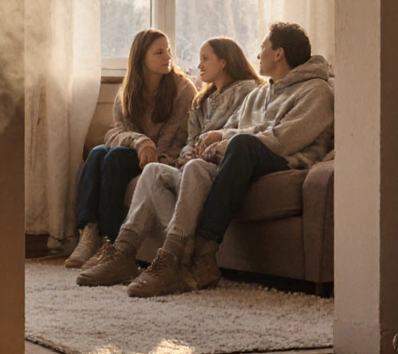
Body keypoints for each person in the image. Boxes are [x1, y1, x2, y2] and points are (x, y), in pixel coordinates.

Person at [129, 22, 334, 298]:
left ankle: (204, 251)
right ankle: (171, 255)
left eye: (263, 47)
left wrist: (226, 142)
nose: (258, 54)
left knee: (241, 145)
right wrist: (216, 136)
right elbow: (234, 127)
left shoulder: (316, 91)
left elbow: (284, 140)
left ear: (279, 53)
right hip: (245, 157)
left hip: (285, 159)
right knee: (192, 166)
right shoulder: (260, 93)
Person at [75, 37, 263, 288]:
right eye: (159, 52)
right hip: (187, 163)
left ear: (224, 62)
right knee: (142, 167)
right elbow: (190, 139)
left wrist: (203, 147)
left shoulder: (249, 93)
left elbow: (247, 132)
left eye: (205, 59)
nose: (198, 65)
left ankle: (174, 257)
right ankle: (121, 251)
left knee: (126, 159)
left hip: (214, 165)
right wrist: (179, 152)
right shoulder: (203, 100)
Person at [65, 29, 197, 268]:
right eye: (159, 52)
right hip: (137, 152)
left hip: (164, 157)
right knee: (97, 153)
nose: (167, 57)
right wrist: (140, 142)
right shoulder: (128, 90)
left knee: (115, 156)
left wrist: (149, 149)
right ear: (141, 58)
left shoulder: (182, 90)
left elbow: (171, 142)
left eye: (168, 51)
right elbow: (115, 133)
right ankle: (88, 233)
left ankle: (111, 242)